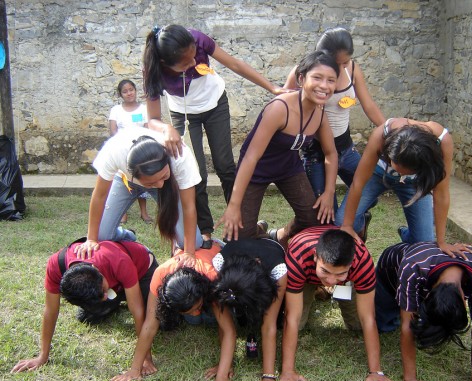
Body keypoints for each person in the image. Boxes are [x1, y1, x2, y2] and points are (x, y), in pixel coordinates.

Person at [143, 24, 287, 247]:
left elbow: (234, 64)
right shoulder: (154, 69)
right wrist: (166, 128)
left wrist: (272, 88)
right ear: (165, 64)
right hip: (183, 114)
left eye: (194, 57)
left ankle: (240, 222)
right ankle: (205, 229)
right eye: (185, 63)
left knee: (225, 166)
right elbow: (152, 119)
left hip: (215, 104)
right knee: (194, 172)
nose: (193, 63)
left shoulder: (198, 39)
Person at [111, 240, 285, 381]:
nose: (195, 312)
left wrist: (222, 376)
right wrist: (135, 369)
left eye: (198, 306)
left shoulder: (213, 277)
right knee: (194, 319)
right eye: (190, 310)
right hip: (190, 277)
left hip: (214, 260)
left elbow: (229, 330)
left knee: (208, 318)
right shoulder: (160, 274)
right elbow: (149, 324)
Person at [217, 51, 339, 246]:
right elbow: (250, 157)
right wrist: (234, 205)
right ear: (301, 78)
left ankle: (281, 235)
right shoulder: (279, 108)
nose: (324, 86)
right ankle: (257, 230)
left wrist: (329, 193)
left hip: (288, 168)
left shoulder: (320, 111)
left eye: (331, 80)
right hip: (256, 170)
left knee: (313, 220)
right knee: (238, 238)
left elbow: (331, 153)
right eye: (317, 77)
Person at [284, 27, 385, 227]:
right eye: (335, 63)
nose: (340, 68)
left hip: (346, 149)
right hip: (316, 155)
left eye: (344, 62)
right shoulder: (303, 73)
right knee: (326, 217)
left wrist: (390, 129)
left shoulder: (353, 69)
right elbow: (285, 106)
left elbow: (369, 105)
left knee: (370, 194)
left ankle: (357, 221)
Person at [11, 240, 157, 373]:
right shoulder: (56, 265)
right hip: (114, 284)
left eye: (103, 291)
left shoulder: (118, 260)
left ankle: (123, 298)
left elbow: (137, 312)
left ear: (97, 270)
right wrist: (42, 356)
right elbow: (50, 310)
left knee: (161, 320)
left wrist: (146, 358)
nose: (105, 296)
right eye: (101, 296)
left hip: (142, 272)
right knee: (87, 317)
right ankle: (116, 302)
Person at [280, 225, 399, 381]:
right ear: (315, 257)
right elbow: (291, 317)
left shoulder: (362, 260)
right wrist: (287, 371)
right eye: (326, 271)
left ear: (351, 264)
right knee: (298, 323)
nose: (331, 280)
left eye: (340, 273)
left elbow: (368, 318)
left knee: (357, 324)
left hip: (343, 280)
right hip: (305, 275)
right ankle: (317, 289)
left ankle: (330, 285)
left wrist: (376, 372)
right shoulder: (298, 254)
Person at [340, 117, 471, 257]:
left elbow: (442, 193)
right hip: (378, 174)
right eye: (398, 168)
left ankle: (407, 235)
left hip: (414, 183)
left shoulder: (442, 141)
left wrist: (441, 242)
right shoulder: (381, 135)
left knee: (424, 245)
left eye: (406, 172)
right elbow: (358, 183)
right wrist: (347, 225)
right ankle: (361, 222)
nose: (400, 175)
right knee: (340, 224)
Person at [374, 242, 472, 381]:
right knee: (383, 326)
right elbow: (407, 325)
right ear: (426, 295)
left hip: (422, 265)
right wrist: (410, 379)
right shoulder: (412, 267)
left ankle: (408, 236)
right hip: (389, 273)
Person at [74, 128, 202, 260]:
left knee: (195, 243)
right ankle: (127, 235)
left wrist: (188, 252)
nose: (160, 185)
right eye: (151, 182)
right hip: (125, 181)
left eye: (164, 176)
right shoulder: (115, 150)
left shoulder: (180, 156)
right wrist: (91, 239)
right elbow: (100, 195)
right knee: (101, 237)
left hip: (170, 185)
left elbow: (189, 207)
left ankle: (176, 238)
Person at [212, 238, 287, 381]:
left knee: (277, 320)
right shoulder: (218, 264)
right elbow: (225, 325)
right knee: (239, 318)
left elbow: (269, 326)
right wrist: (224, 370)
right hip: (242, 248)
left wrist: (269, 377)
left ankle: (268, 233)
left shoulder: (279, 271)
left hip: (270, 248)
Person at [108, 79, 152, 224]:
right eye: (125, 91)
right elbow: (113, 130)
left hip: (140, 150)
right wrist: (123, 143)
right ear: (120, 95)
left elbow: (147, 128)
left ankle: (143, 212)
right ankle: (123, 213)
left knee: (142, 180)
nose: (129, 93)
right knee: (124, 180)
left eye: (131, 90)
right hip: (122, 151)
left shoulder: (143, 109)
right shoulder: (116, 110)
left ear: (135, 90)